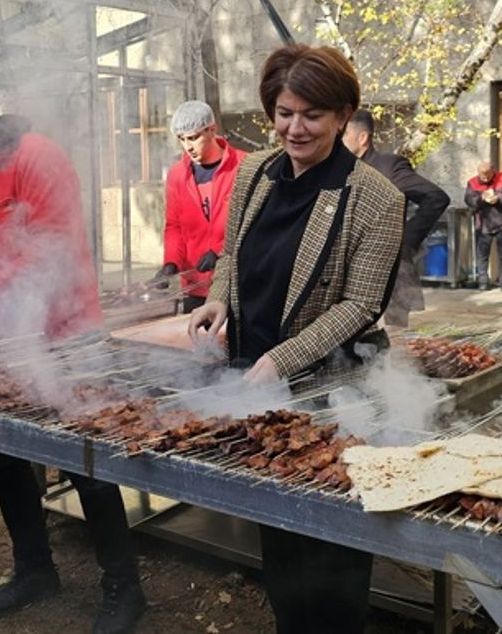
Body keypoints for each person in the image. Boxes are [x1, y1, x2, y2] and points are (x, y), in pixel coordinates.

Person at [188, 44, 404, 633]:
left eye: (312, 114)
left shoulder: (375, 197)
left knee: (333, 545)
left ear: (342, 114)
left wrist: (283, 359)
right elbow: (232, 252)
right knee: (279, 535)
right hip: (254, 377)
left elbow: (362, 303)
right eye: (284, 113)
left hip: (336, 390)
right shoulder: (255, 172)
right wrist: (218, 298)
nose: (295, 128)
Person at [0, 73, 146, 633]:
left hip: (68, 336)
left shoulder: (37, 157)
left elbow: (53, 247)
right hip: (7, 340)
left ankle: (123, 585)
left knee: (84, 459)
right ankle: (34, 569)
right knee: (3, 454)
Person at [342, 108, 449, 326]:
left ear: (362, 137)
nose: (338, 140)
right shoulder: (340, 170)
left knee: (395, 337)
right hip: (348, 274)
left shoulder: (388, 167)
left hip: (388, 274)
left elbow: (436, 198)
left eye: (344, 134)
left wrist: (405, 239)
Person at [152, 101, 247, 312]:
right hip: (195, 287)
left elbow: (252, 224)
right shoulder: (177, 175)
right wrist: (171, 263)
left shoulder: (243, 167)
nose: (188, 146)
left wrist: (220, 252)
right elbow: (174, 226)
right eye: (182, 139)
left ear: (212, 130)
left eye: (194, 137)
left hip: (236, 284)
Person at [464, 161, 502, 291]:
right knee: (482, 254)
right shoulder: (472, 183)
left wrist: (498, 198)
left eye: (488, 175)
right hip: (483, 223)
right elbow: (469, 200)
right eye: (483, 176)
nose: (486, 178)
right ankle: (483, 282)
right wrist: (482, 198)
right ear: (478, 173)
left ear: (493, 171)